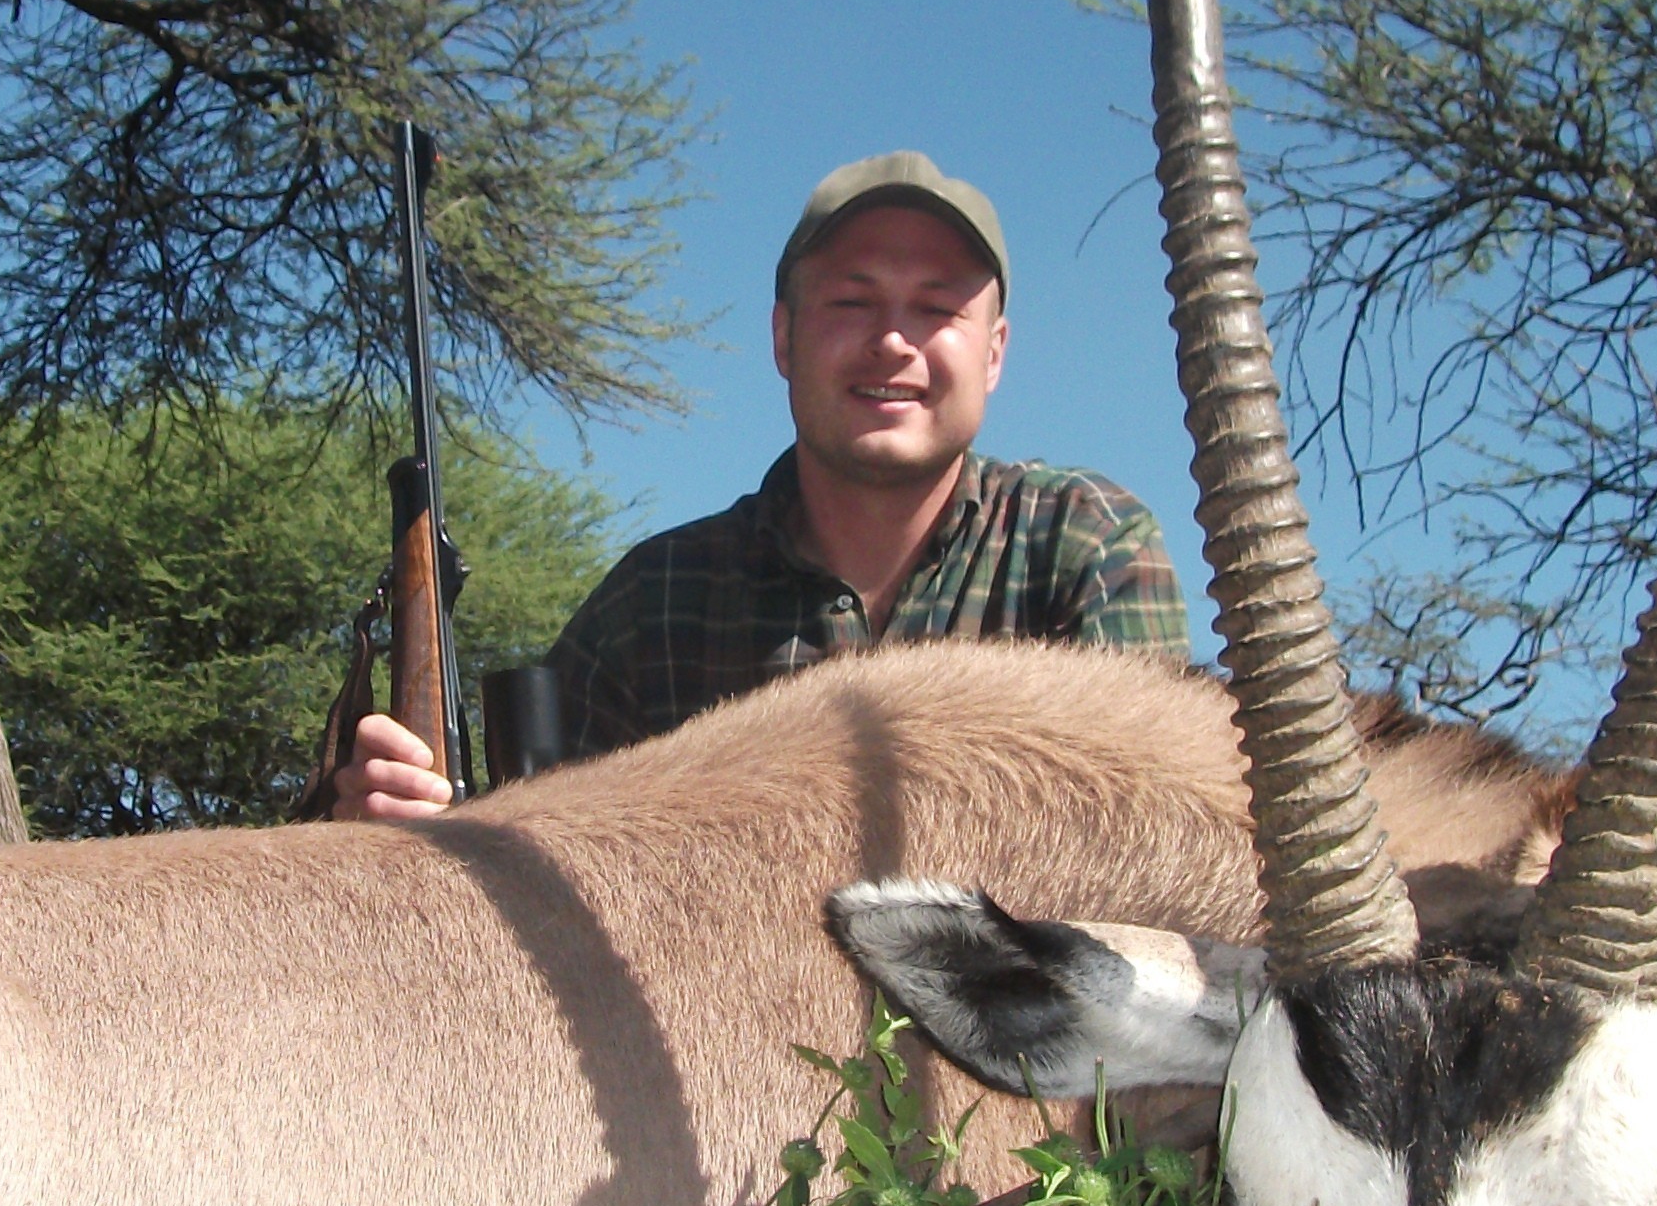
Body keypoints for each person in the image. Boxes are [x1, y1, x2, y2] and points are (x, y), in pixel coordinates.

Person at [319, 150, 1186, 820]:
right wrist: (420, 825)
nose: (893, 341)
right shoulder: (653, 600)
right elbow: (537, 869)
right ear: (783, 338)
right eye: (852, 302)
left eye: (936, 308)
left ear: (994, 351)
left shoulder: (1088, 543)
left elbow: (1154, 831)